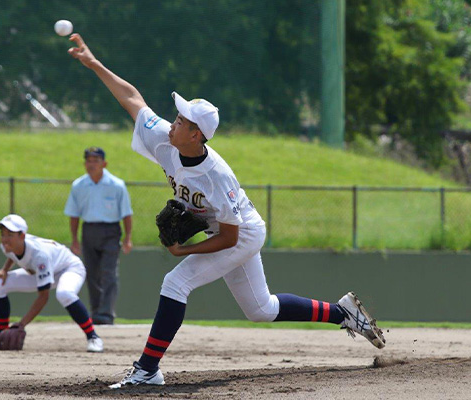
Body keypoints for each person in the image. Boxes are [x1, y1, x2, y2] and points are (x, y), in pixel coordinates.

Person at [67, 33, 386, 388]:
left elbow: (231, 237)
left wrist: (183, 250)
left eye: (182, 120)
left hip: (241, 234)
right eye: (177, 116)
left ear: (197, 136)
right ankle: (343, 313)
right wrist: (94, 64)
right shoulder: (165, 140)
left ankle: (147, 369)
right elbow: (132, 99)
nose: (174, 122)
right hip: (224, 230)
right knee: (260, 310)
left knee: (176, 282)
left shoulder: (217, 176)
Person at [0, 214, 104, 353]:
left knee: (64, 293)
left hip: (69, 268)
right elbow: (13, 255)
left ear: (22, 236)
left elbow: (43, 297)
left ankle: (93, 337)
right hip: (42, 271)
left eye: (10, 234)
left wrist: (21, 324)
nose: (5, 238)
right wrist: (4, 270)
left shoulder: (40, 255)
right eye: (2, 233)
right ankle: (0, 337)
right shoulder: (7, 245)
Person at [64, 146, 133, 325]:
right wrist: (74, 239)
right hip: (89, 230)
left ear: (104, 163)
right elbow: (74, 214)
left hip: (111, 231)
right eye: (89, 161)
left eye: (96, 161)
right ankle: (96, 312)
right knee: (91, 273)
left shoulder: (117, 185)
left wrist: (127, 238)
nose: (92, 164)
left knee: (108, 272)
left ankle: (106, 313)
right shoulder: (79, 185)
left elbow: (126, 213)